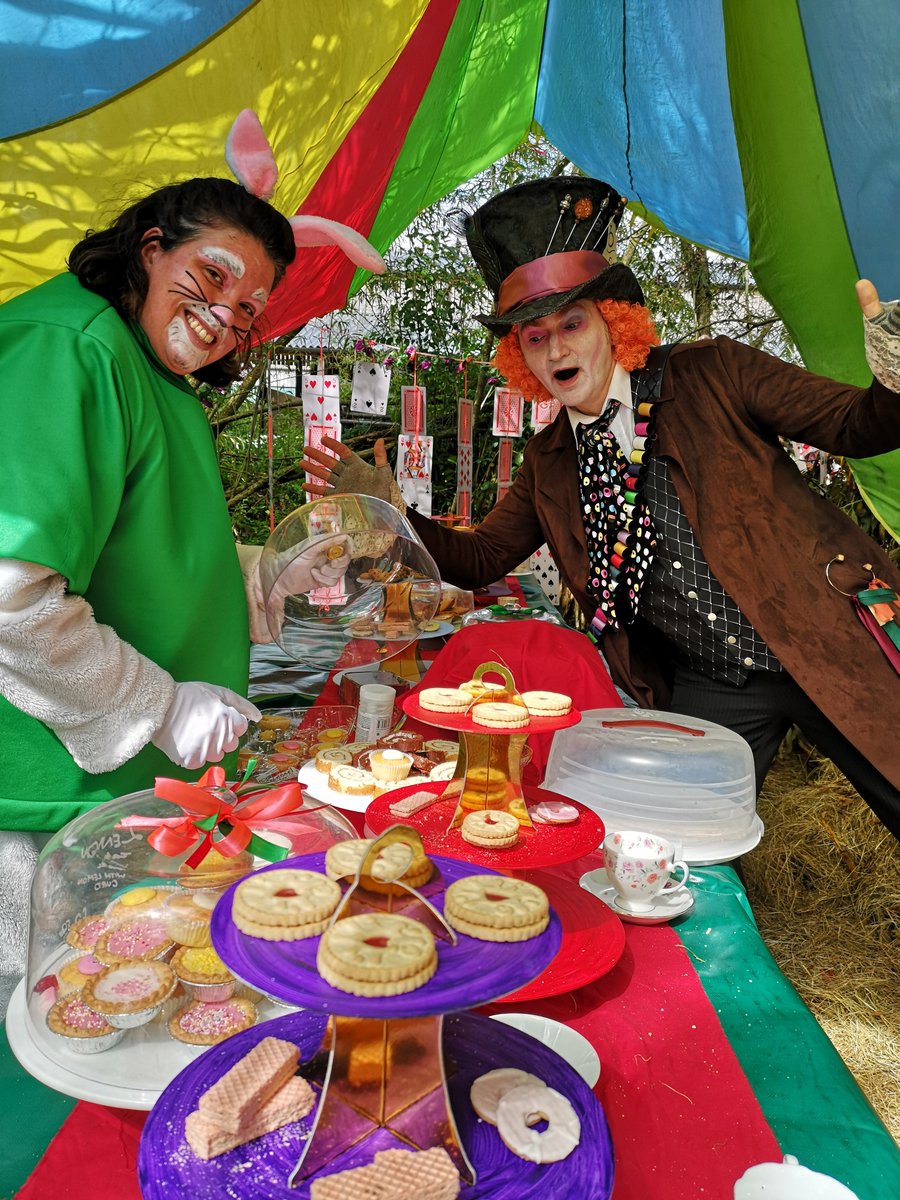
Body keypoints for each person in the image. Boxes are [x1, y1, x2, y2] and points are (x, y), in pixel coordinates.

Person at [301, 175, 900, 840]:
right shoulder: (550, 460)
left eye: (573, 323)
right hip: (715, 684)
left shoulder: (713, 372)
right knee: (670, 847)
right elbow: (478, 560)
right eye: (534, 336)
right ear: (519, 355)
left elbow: (856, 426)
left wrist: (896, 378)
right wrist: (394, 514)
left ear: (615, 321)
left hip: (828, 634)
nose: (556, 349)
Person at [0, 116, 382, 1011]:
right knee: (62, 1030)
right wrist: (157, 705)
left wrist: (269, 568)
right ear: (149, 246)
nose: (225, 313)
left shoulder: (147, 369)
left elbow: (149, 545)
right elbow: (14, 590)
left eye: (249, 307)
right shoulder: (72, 346)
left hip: (120, 794)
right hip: (47, 803)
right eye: (212, 276)